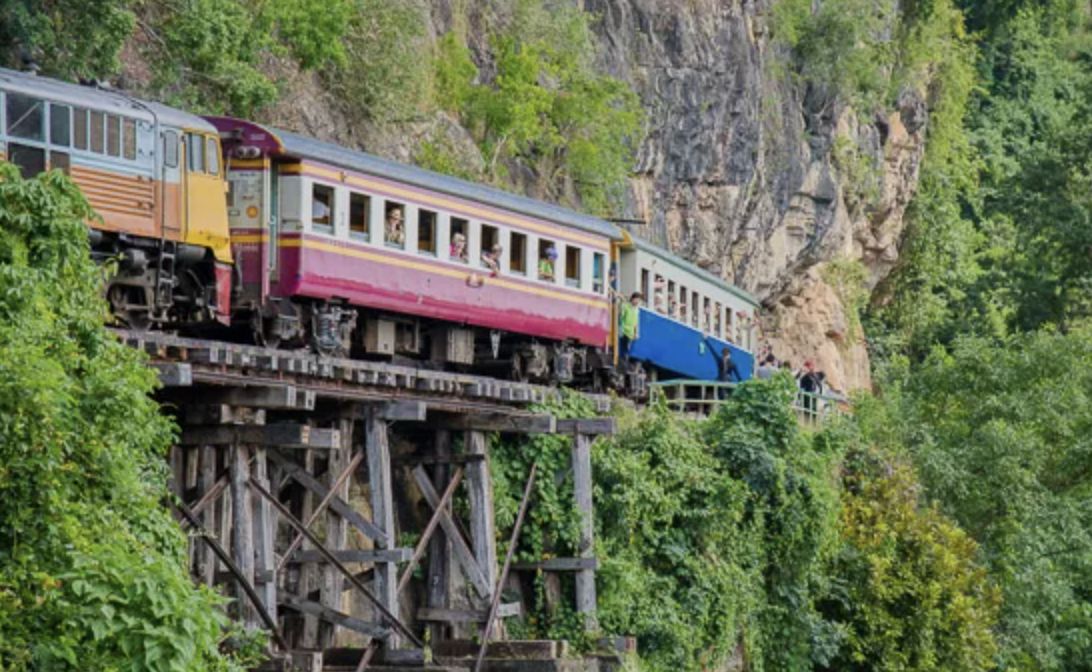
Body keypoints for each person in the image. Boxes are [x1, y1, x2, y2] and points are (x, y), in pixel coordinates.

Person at [618, 292, 642, 371]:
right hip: (624, 331)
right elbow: (621, 318)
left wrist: (636, 333)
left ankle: (625, 365)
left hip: (631, 333)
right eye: (636, 299)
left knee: (628, 350)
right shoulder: (626, 306)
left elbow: (636, 323)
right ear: (632, 298)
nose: (637, 302)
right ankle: (622, 365)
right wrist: (620, 329)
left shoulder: (636, 310)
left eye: (639, 300)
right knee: (624, 349)